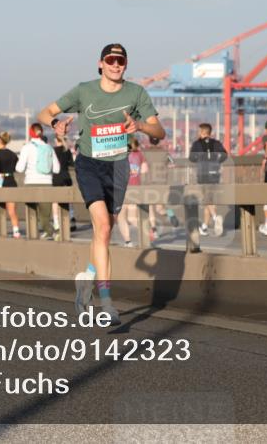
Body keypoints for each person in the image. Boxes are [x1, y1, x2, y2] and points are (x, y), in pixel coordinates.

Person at [38, 43, 165, 325]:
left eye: (120, 60)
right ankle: (106, 302)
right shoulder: (84, 90)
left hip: (118, 167)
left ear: (125, 64)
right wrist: (56, 123)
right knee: (104, 227)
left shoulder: (136, 93)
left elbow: (159, 130)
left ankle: (86, 282)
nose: (115, 64)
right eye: (110, 59)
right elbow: (44, 113)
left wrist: (141, 127)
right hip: (89, 164)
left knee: (103, 235)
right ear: (100, 63)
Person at [16, 123, 61, 238]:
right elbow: (57, 169)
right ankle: (53, 232)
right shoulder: (49, 147)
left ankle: (35, 237)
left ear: (30, 133)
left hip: (31, 183)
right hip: (47, 183)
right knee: (45, 216)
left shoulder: (27, 147)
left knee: (32, 214)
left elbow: (19, 168)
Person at [188, 123, 228, 237]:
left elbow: (191, 158)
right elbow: (225, 155)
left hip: (203, 174)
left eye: (199, 131)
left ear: (202, 132)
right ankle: (204, 227)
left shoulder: (197, 144)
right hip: (215, 174)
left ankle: (216, 218)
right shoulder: (216, 143)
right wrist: (217, 162)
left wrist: (199, 160)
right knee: (210, 200)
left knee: (206, 199)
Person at [0, 131, 21, 238]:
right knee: (12, 210)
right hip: (11, 181)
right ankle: (16, 231)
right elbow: (16, 167)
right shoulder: (13, 155)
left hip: (0, 182)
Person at [119, 136, 148, 247]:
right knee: (133, 218)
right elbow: (145, 171)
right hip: (136, 188)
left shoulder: (121, 155)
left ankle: (128, 241)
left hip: (123, 189)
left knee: (122, 217)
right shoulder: (140, 155)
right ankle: (146, 232)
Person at [52, 132, 77, 233]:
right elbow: (72, 164)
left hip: (56, 178)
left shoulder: (53, 151)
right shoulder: (67, 151)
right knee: (68, 200)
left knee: (55, 201)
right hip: (66, 177)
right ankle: (71, 219)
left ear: (55, 140)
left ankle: (56, 223)